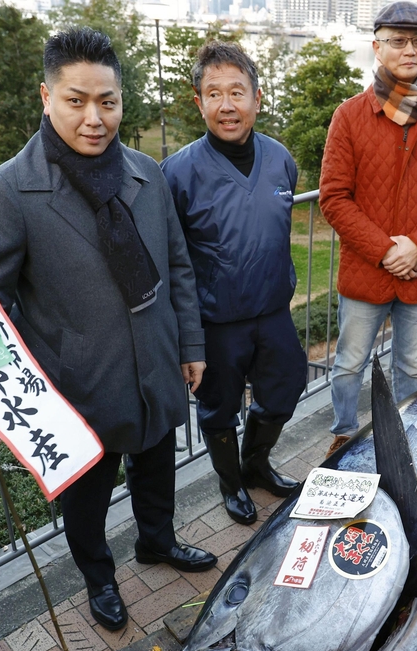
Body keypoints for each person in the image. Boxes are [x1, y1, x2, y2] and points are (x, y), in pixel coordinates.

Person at [0, 28, 216, 632]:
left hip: (156, 363)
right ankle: (99, 578)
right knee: (88, 498)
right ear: (45, 96)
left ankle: (157, 541)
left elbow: (177, 264)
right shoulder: (9, 190)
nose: (94, 118)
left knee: (158, 464)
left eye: (107, 100)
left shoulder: (146, 173)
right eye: (76, 100)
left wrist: (190, 344)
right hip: (76, 382)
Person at [319, 1, 417, 457]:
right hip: (367, 270)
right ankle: (345, 434)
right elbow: (333, 197)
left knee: (412, 367)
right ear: (377, 46)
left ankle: (409, 433)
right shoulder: (349, 116)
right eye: (398, 40)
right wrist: (386, 249)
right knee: (349, 365)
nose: (410, 49)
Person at [161, 42, 307, 527]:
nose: (228, 105)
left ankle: (256, 462)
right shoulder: (178, 173)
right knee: (218, 409)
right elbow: (171, 260)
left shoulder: (281, 159)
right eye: (214, 94)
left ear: (257, 99)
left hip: (272, 310)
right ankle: (231, 483)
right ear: (198, 102)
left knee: (287, 388)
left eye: (238, 92)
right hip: (216, 320)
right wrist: (187, 337)